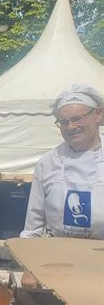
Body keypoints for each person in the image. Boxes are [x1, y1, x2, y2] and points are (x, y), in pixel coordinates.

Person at [19, 84, 103, 288]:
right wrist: (29, 268)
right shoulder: (49, 162)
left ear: (98, 115)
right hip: (56, 262)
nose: (71, 127)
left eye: (77, 118)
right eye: (64, 122)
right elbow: (34, 223)